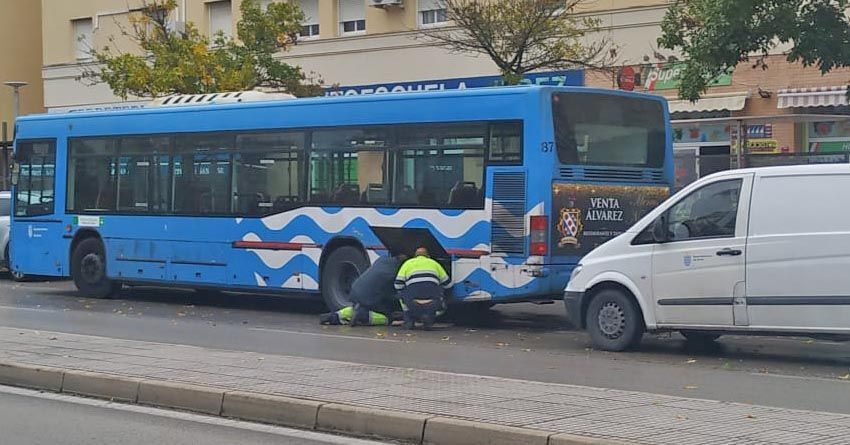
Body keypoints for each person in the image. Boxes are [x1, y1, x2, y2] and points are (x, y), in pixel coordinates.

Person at [320, 252, 407, 326]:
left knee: (355, 308)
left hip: (354, 291)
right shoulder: (394, 273)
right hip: (368, 298)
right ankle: (364, 315)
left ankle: (334, 316)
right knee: (388, 317)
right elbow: (392, 294)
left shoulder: (382, 259)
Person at [394, 247, 450, 330]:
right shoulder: (434, 263)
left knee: (401, 293)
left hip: (412, 302)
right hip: (433, 302)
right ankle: (429, 319)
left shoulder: (408, 263)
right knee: (440, 290)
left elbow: (398, 285)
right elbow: (447, 284)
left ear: (415, 256)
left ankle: (409, 321)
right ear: (428, 256)